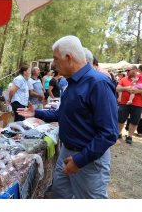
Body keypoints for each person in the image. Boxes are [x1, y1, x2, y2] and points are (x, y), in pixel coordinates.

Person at [17, 35, 118, 199]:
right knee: (60, 194)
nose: (54, 65)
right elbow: (61, 114)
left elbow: (109, 133)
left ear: (69, 58)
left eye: (56, 59)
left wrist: (79, 160)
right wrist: (36, 113)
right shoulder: (72, 83)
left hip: (89, 159)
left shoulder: (98, 83)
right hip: (66, 151)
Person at [117, 65, 142, 144]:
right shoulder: (123, 79)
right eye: (126, 70)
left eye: (128, 70)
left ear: (135, 70)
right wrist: (126, 88)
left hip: (138, 104)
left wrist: (138, 91)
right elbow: (117, 88)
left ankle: (129, 136)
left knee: (134, 121)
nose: (127, 72)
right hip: (124, 103)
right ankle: (119, 134)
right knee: (121, 119)